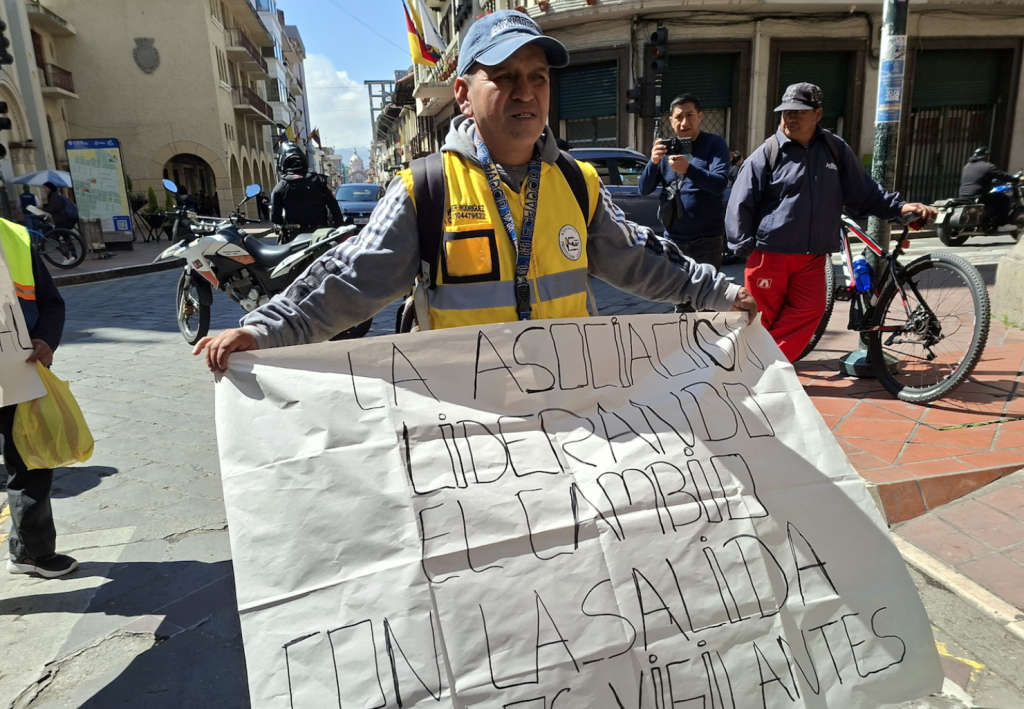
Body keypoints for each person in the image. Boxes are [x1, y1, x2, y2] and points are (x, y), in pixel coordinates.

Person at [195, 10, 756, 372]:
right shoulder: (426, 188)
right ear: (463, 93)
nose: (526, 91)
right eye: (504, 76)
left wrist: (723, 294)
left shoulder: (577, 183)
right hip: (468, 423)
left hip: (571, 407)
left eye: (537, 77)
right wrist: (262, 331)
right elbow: (350, 278)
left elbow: (641, 258)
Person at [726, 82, 935, 362]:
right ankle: (761, 370)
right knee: (760, 319)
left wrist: (899, 207)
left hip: (814, 255)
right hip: (770, 254)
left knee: (811, 311)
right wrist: (744, 246)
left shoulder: (835, 150)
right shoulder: (767, 153)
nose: (790, 118)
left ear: (818, 114)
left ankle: (763, 366)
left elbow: (864, 192)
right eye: (786, 112)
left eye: (799, 112)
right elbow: (740, 201)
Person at [0, 218, 77, 578]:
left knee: (30, 462)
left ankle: (31, 552)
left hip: (15, 371)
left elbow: (51, 303)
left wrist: (45, 338)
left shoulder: (14, 237)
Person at [639, 94, 730, 284]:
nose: (684, 122)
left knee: (706, 295)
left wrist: (688, 169)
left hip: (707, 241)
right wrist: (653, 162)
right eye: (679, 117)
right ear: (671, 121)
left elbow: (719, 184)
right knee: (676, 296)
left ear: (700, 116)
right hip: (674, 241)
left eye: (690, 115)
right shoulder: (666, 150)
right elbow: (644, 189)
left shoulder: (714, 144)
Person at [269, 142, 342, 243]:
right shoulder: (319, 181)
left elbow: (275, 218)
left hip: (295, 236)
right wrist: (338, 228)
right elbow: (335, 208)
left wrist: (283, 223)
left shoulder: (280, 187)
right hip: (321, 235)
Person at [959, 145, 1014, 225]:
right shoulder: (987, 166)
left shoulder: (967, 166)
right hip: (978, 195)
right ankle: (1002, 224)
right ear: (985, 156)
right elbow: (1003, 176)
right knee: (1003, 198)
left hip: (963, 195)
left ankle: (987, 219)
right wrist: (1017, 179)